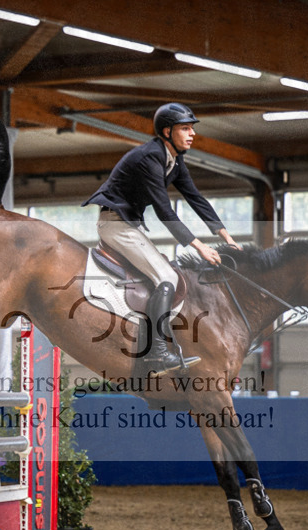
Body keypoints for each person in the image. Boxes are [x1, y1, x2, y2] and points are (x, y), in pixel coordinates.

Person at [83, 102, 241, 376]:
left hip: (128, 224)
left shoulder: (175, 161)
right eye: (185, 128)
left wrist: (226, 237)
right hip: (115, 225)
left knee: (163, 275)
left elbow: (195, 198)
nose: (192, 134)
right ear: (167, 131)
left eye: (192, 129)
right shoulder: (149, 159)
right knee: (166, 278)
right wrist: (200, 246)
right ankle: (156, 354)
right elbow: (164, 210)